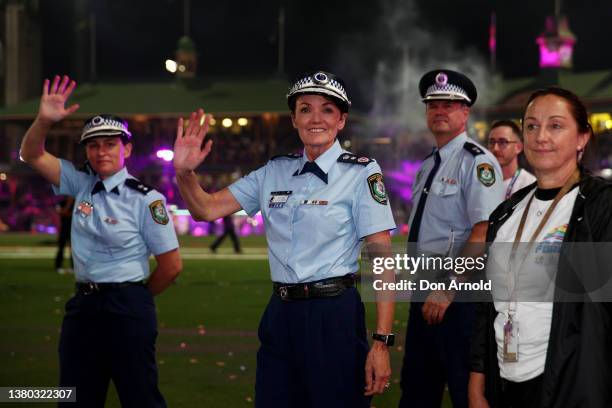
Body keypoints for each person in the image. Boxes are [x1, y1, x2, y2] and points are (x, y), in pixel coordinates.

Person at [174, 70, 397, 408]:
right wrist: (184, 173)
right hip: (281, 313)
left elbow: (382, 259)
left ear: (341, 120)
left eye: (327, 110)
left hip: (332, 314)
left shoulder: (361, 172)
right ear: (294, 119)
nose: (315, 118)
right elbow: (205, 209)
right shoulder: (273, 171)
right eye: (305, 109)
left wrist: (381, 343)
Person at [19, 75, 182, 407]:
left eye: (110, 144)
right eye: (93, 145)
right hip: (84, 308)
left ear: (127, 148)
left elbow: (171, 266)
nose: (101, 151)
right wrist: (44, 120)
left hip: (128, 308)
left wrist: (133, 294)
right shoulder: (79, 184)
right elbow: (32, 154)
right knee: (75, 398)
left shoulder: (146, 200)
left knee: (140, 397)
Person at [469, 87, 612, 408]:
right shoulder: (506, 212)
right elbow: (485, 306)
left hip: (571, 385)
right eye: (531, 126)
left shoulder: (601, 205)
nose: (540, 136)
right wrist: (478, 382)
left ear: (582, 138)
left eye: (556, 125)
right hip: (504, 381)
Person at [399, 69, 504, 408]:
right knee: (417, 391)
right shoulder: (429, 164)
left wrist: (447, 287)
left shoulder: (477, 162)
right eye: (433, 104)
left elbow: (483, 231)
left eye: (450, 104)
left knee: (465, 390)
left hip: (456, 295)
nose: (440, 110)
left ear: (465, 112)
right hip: (424, 288)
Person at [487, 120, 536, 199]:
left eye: (502, 142)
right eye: (492, 142)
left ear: (519, 147)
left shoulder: (529, 185)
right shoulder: (480, 181)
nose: (495, 148)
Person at [55, 195, 74, 274]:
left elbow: (87, 213)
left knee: (74, 250)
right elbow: (59, 212)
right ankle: (58, 266)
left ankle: (74, 267)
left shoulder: (81, 201)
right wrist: (68, 206)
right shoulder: (62, 202)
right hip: (64, 229)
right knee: (61, 248)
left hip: (75, 230)